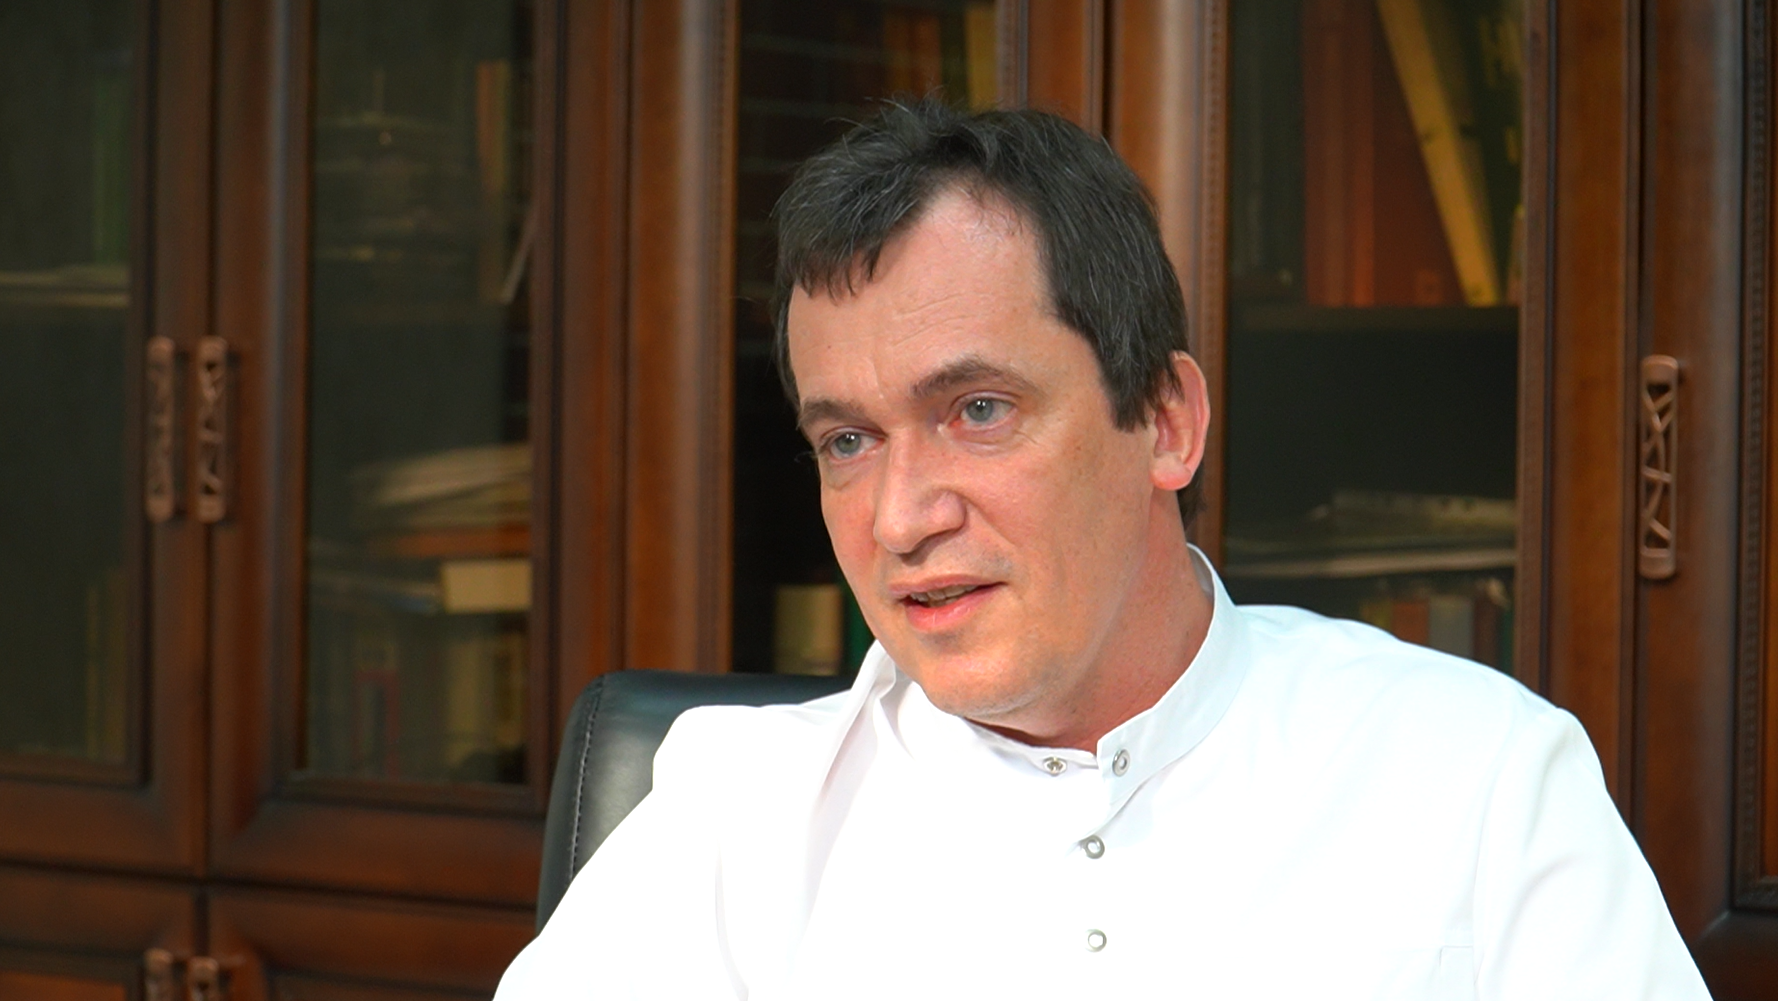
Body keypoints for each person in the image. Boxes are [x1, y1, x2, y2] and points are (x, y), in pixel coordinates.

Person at [495, 100, 1710, 1000]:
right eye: (847, 439)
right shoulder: (733, 817)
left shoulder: (1475, 774)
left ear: (1164, 421)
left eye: (977, 409)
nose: (899, 516)